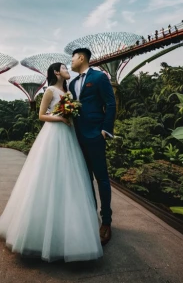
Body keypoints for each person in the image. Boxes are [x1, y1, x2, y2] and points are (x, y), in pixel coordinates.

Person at [0, 62, 103, 262]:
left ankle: (72, 232)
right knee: (47, 174)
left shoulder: (69, 91)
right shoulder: (50, 91)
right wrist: (61, 118)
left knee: (70, 177)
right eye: (63, 67)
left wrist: (69, 115)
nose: (67, 70)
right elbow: (41, 115)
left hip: (69, 135)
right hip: (53, 135)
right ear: (56, 72)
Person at [69, 48, 116, 246]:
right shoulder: (71, 83)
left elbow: (110, 103)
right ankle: (90, 218)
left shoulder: (99, 77)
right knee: (85, 179)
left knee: (101, 178)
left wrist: (106, 129)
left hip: (96, 134)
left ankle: (106, 221)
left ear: (81, 58)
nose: (70, 62)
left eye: (72, 58)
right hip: (77, 136)